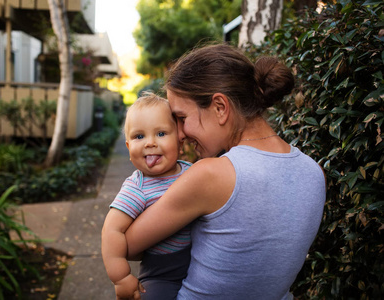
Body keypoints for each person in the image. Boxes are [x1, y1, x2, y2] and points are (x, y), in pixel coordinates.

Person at [122, 43, 326, 299]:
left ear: (220, 107)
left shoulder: (212, 175)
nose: (181, 134)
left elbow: (127, 245)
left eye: (182, 118)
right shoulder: (315, 173)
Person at [101, 93, 192, 300]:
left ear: (180, 139)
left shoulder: (192, 172)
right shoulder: (137, 187)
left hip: (200, 261)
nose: (150, 143)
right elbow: (112, 230)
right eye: (139, 136)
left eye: (161, 133)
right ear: (128, 147)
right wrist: (121, 277)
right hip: (162, 272)